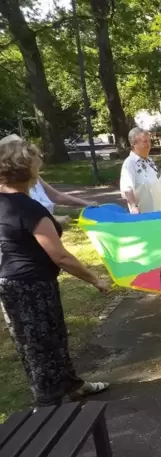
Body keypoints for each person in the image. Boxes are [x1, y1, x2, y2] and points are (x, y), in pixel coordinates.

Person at [0, 138, 109, 406]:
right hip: (30, 287)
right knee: (40, 347)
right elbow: (60, 256)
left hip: (14, 283)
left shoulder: (8, 202)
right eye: (37, 160)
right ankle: (52, 406)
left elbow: (16, 233)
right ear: (27, 168)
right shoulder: (28, 208)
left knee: (51, 339)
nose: (41, 163)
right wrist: (95, 279)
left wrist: (55, 220)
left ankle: (72, 386)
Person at [0, 134, 98, 214]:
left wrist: (85, 203)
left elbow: (55, 196)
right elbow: (20, 214)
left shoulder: (35, 177)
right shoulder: (8, 188)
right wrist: (53, 220)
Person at [120, 127, 161, 214]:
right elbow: (126, 189)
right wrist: (134, 206)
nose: (148, 144)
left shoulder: (151, 162)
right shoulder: (130, 163)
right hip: (143, 218)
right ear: (134, 144)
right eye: (145, 141)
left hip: (160, 215)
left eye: (149, 141)